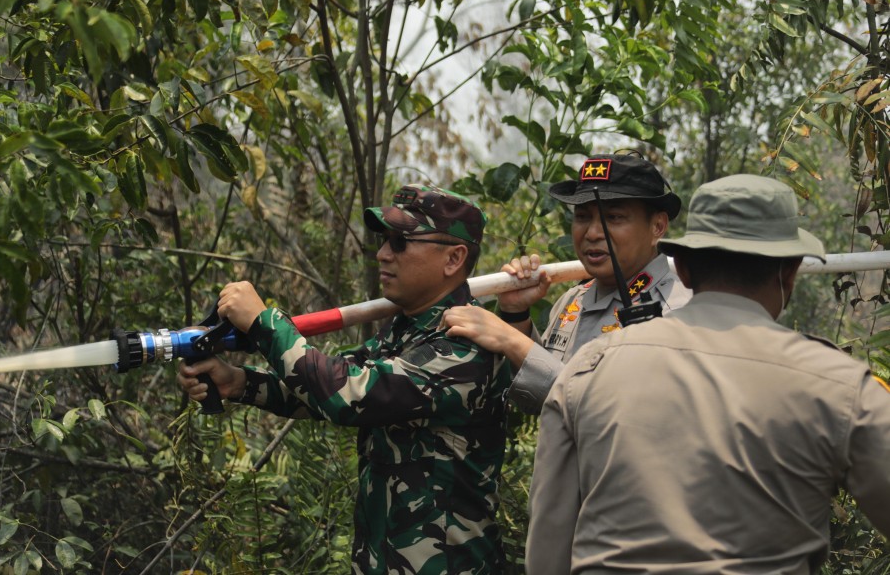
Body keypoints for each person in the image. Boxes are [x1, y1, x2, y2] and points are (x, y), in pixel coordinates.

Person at [526, 174, 890, 574]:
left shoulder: (587, 370)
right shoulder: (837, 385)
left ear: (681, 267)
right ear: (790, 272)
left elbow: (547, 550)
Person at [177, 184, 512, 574]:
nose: (384, 254)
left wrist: (264, 322)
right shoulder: (407, 329)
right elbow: (320, 386)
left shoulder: (467, 344)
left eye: (401, 243)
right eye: (385, 241)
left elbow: (350, 395)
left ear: (454, 258)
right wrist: (238, 382)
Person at [442, 153, 691, 414]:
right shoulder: (574, 300)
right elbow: (539, 400)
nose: (593, 233)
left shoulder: (676, 310)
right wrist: (516, 315)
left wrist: (512, 341)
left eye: (614, 218)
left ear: (658, 227)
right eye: (582, 217)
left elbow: (615, 414)